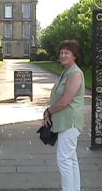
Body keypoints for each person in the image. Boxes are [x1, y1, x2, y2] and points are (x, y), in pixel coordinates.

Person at [43, 39, 85, 191]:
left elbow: (65, 101)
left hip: (70, 122)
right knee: (71, 159)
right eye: (61, 52)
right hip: (63, 122)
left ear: (74, 56)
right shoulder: (65, 73)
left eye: (66, 52)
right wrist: (49, 113)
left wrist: (48, 111)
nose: (63, 55)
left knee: (64, 159)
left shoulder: (75, 74)